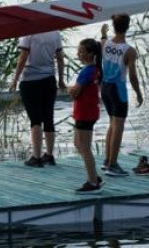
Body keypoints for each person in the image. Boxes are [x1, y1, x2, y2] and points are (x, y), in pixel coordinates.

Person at [10, 31, 66, 167]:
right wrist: (61, 80)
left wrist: (15, 79)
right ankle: (49, 155)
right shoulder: (55, 33)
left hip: (30, 80)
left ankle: (36, 157)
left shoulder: (28, 33)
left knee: (35, 119)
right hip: (49, 79)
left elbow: (23, 57)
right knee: (48, 117)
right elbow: (60, 58)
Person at [99, 14, 143, 176]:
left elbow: (103, 38)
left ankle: (107, 160)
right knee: (118, 127)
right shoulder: (129, 51)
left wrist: (103, 32)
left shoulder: (104, 43)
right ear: (128, 27)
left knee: (112, 124)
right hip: (118, 89)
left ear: (114, 26)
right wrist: (138, 93)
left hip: (105, 87)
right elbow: (132, 76)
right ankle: (113, 164)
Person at [71, 39, 104, 194]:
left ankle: (93, 182)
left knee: (85, 147)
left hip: (85, 112)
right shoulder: (95, 69)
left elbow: (75, 91)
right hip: (87, 111)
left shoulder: (88, 70)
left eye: (82, 51)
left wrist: (69, 89)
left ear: (90, 54)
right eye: (78, 51)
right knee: (78, 143)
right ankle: (94, 176)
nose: (79, 54)